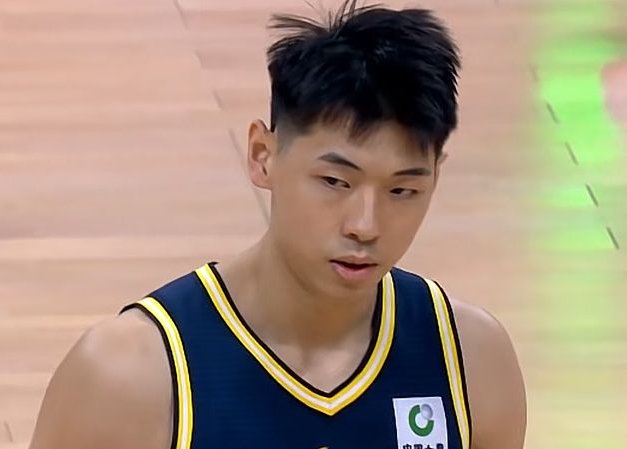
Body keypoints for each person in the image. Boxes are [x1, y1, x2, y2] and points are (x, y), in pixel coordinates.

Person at [29, 1, 526, 448]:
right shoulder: (131, 376)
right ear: (262, 155)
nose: (365, 225)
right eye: (335, 181)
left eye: (402, 190)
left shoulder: (470, 361)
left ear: (436, 176)